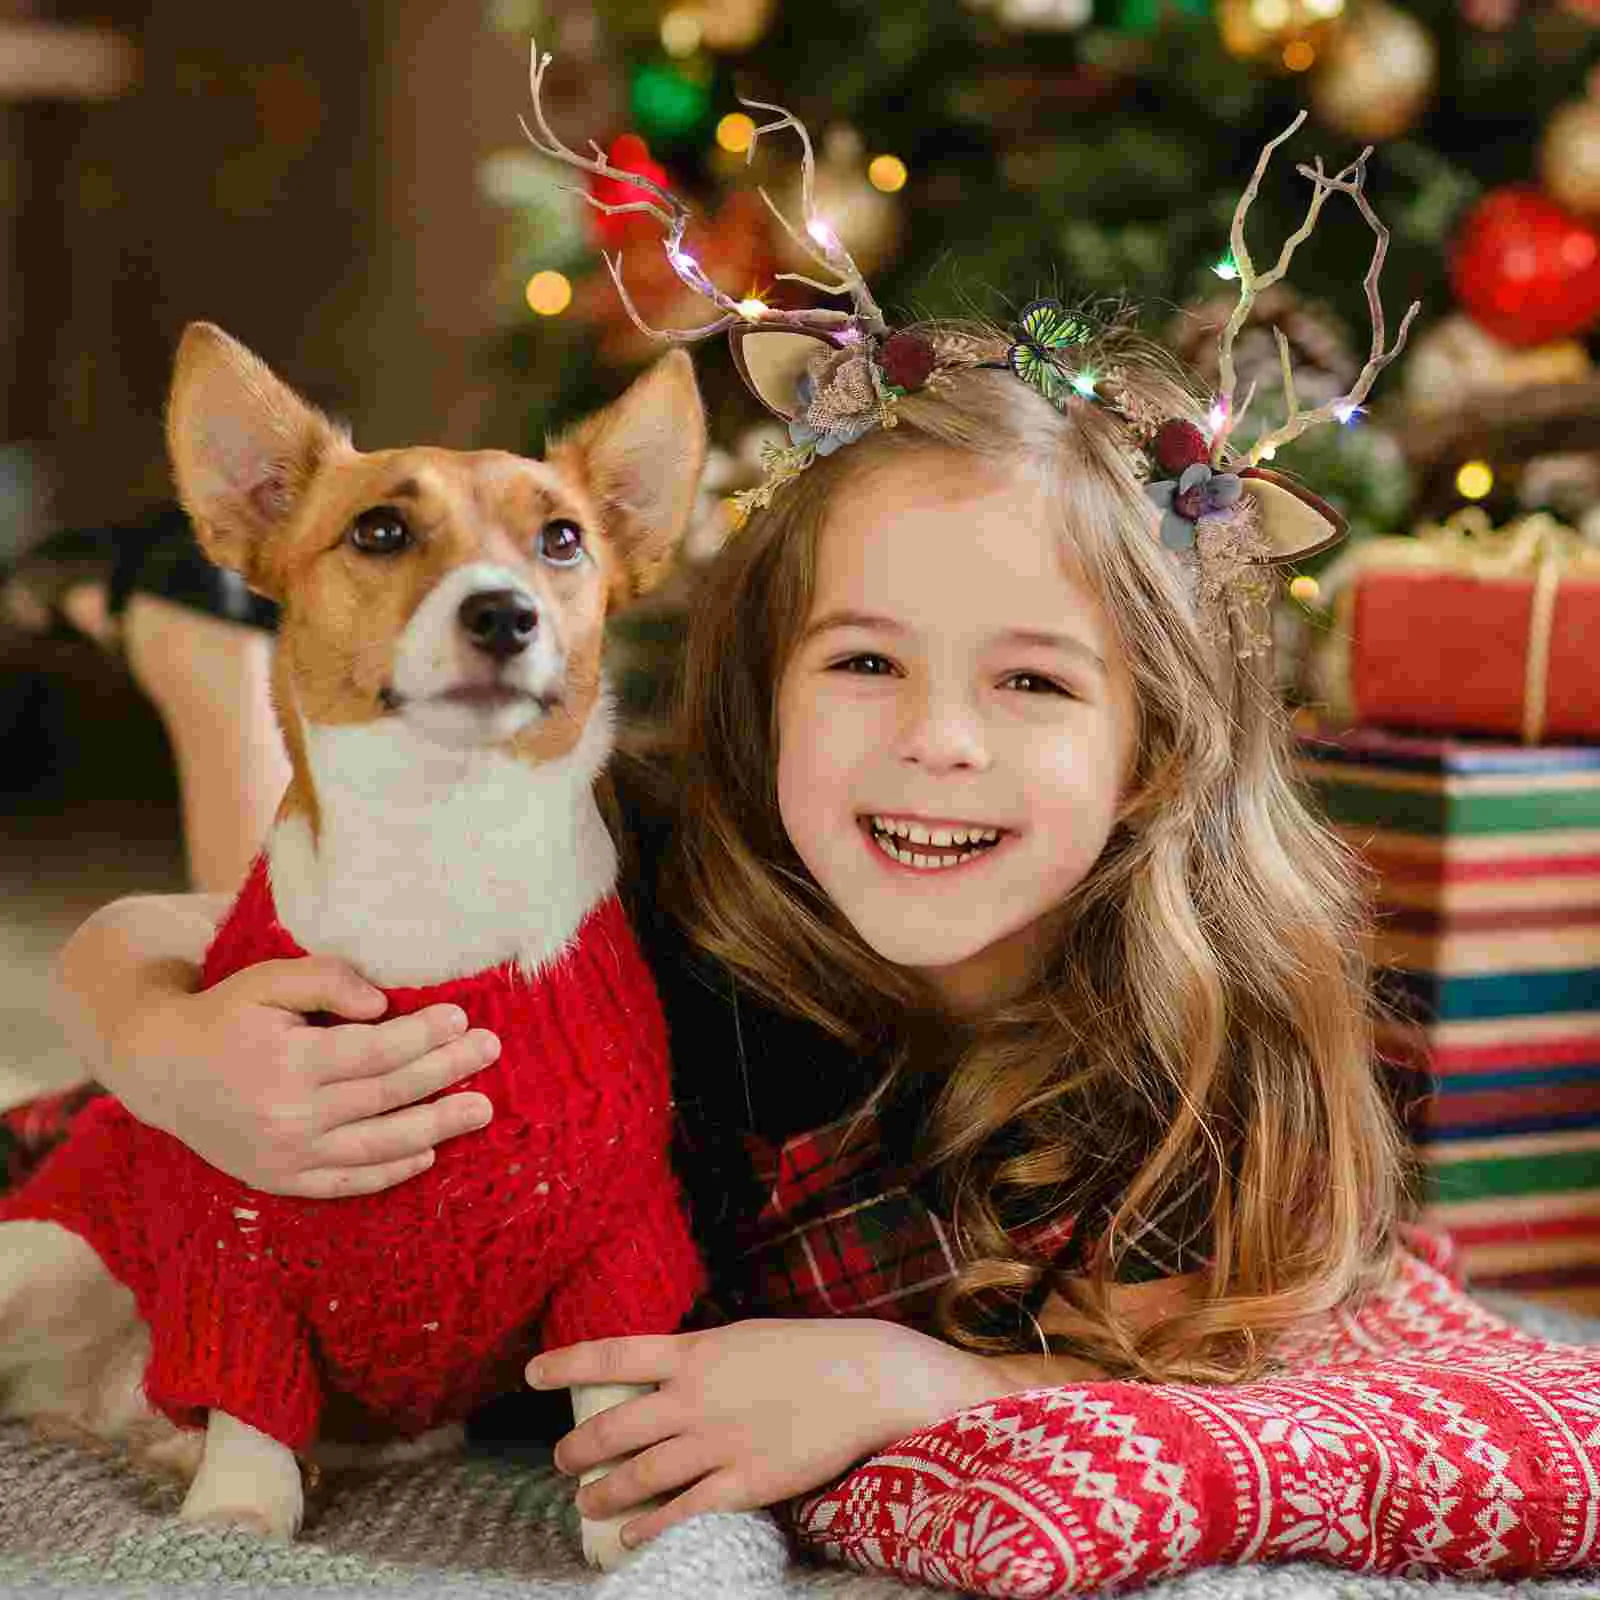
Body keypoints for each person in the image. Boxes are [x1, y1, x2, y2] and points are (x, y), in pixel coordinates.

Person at [13, 108, 1417, 1554]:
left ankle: (212, 669)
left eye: (1034, 680)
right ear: (764, 685)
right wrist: (159, 1044)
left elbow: (1275, 1401)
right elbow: (167, 940)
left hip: (521, 1308)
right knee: (307, 915)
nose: (940, 740)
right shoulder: (673, 845)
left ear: (1155, 747)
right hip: (303, 1177)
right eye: (866, 663)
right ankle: (222, 679)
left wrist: (926, 1385)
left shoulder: (1211, 1058)